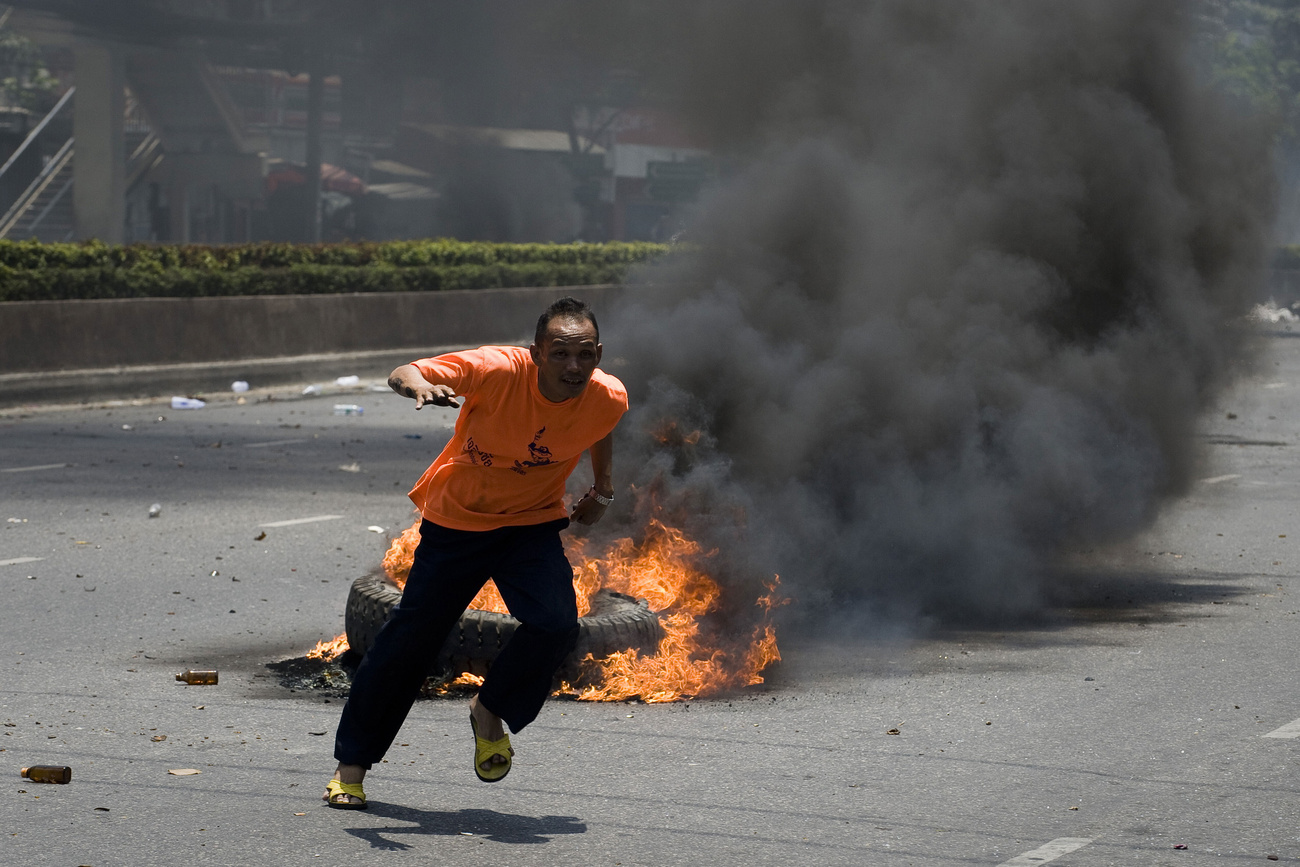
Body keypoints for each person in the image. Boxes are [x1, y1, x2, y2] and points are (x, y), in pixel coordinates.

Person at [323, 296, 627, 809]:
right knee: (409, 644)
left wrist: (602, 489)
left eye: (584, 355)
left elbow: (598, 427)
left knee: (556, 624)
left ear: (598, 353)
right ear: (536, 353)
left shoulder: (608, 396)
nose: (573, 367)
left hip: (530, 527)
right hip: (457, 524)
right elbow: (406, 371)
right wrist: (417, 384)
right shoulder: (497, 369)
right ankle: (351, 767)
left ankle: (489, 708)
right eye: (559, 354)